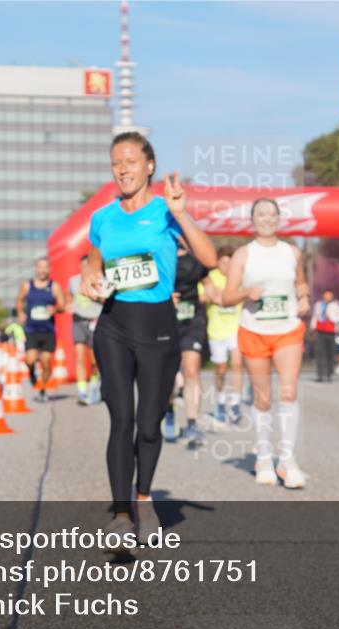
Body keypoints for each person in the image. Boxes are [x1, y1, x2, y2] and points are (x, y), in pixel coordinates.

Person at [79, 132, 216, 545]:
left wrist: (183, 215)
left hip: (158, 326)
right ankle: (121, 514)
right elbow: (94, 259)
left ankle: (143, 496)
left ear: (149, 166)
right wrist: (89, 276)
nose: (122, 169)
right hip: (114, 324)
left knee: (150, 425)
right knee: (121, 418)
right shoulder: (103, 218)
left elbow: (209, 260)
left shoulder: (164, 211)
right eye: (116, 163)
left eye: (131, 161)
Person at [223, 198, 310, 489]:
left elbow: (300, 283)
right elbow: (227, 296)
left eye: (272, 214)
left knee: (288, 391)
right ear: (253, 219)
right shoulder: (243, 255)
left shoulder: (292, 252)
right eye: (261, 214)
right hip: (254, 329)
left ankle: (287, 460)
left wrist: (304, 297)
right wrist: (247, 292)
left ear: (278, 218)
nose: (267, 219)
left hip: (287, 330)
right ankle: (263, 457)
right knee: (263, 398)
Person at [167, 240, 211, 446]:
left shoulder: (197, 259)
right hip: (164, 320)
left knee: (192, 371)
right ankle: (168, 412)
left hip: (192, 319)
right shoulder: (159, 253)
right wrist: (163, 297)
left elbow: (209, 284)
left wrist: (218, 296)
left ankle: (192, 423)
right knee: (166, 375)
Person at [200, 246, 244, 426]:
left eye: (230, 263)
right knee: (220, 369)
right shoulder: (210, 278)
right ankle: (220, 400)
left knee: (237, 364)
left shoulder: (239, 277)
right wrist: (213, 294)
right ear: (217, 262)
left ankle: (235, 402)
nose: (227, 267)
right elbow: (201, 298)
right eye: (224, 263)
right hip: (216, 329)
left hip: (236, 328)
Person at [16, 257, 66, 402]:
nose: (42, 270)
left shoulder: (54, 286)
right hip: (31, 329)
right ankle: (31, 371)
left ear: (49, 269)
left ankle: (43, 388)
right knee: (30, 359)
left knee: (46, 362)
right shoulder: (27, 285)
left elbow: (62, 305)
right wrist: (20, 313)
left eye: (45, 267)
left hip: (48, 330)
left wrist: (55, 309)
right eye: (40, 267)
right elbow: (19, 300)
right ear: (36, 269)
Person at [68, 255, 103, 405]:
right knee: (80, 356)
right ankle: (82, 391)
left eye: (88, 267)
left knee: (95, 360)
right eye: (83, 266)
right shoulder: (73, 281)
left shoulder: (100, 280)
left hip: (96, 321)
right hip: (78, 321)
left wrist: (95, 293)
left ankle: (94, 385)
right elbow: (69, 298)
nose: (85, 270)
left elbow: (105, 299)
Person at [310, 289, 339, 382]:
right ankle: (320, 374)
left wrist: (332, 319)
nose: (327, 297)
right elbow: (315, 316)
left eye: (329, 295)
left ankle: (329, 374)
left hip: (331, 331)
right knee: (320, 353)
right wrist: (312, 327)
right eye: (326, 295)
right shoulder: (318, 305)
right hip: (320, 331)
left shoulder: (336, 305)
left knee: (330, 353)